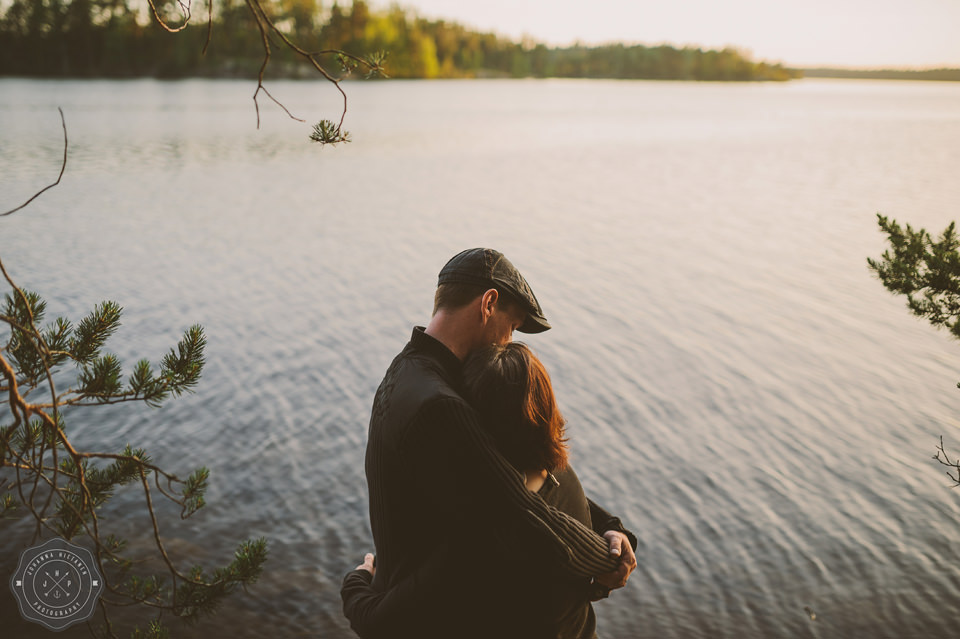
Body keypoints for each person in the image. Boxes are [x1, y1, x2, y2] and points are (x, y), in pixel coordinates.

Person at [341, 248, 637, 638]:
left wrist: (608, 525)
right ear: (489, 303)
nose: (507, 342)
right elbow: (522, 511)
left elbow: (510, 479)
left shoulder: (406, 370)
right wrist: (607, 562)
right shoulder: (442, 406)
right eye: (512, 327)